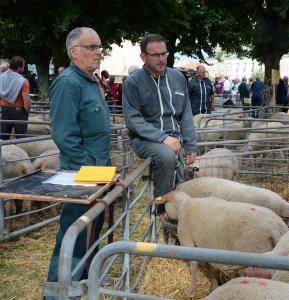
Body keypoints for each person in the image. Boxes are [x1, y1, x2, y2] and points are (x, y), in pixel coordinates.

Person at [46, 27, 111, 291]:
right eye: (91, 48)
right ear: (74, 53)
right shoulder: (68, 83)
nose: (98, 53)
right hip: (81, 174)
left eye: (99, 47)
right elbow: (64, 135)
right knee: (72, 232)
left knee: (92, 227)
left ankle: (81, 281)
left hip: (98, 171)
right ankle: (57, 290)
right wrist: (90, 170)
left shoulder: (89, 81)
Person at [122, 33, 197, 215]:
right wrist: (163, 138)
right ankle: (161, 207)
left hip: (174, 136)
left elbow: (186, 114)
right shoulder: (133, 82)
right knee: (166, 156)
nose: (161, 59)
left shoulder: (178, 77)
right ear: (143, 57)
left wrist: (191, 145)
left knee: (186, 174)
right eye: (155, 55)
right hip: (144, 138)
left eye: (164, 53)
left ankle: (178, 204)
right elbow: (133, 119)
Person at [0, 56, 31, 140]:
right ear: (19, 67)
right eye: (23, 66)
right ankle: (19, 153)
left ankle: (3, 153)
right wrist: (27, 112)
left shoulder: (1, 77)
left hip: (5, 110)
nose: (23, 68)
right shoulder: (23, 81)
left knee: (3, 136)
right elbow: (27, 101)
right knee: (21, 138)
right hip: (19, 112)